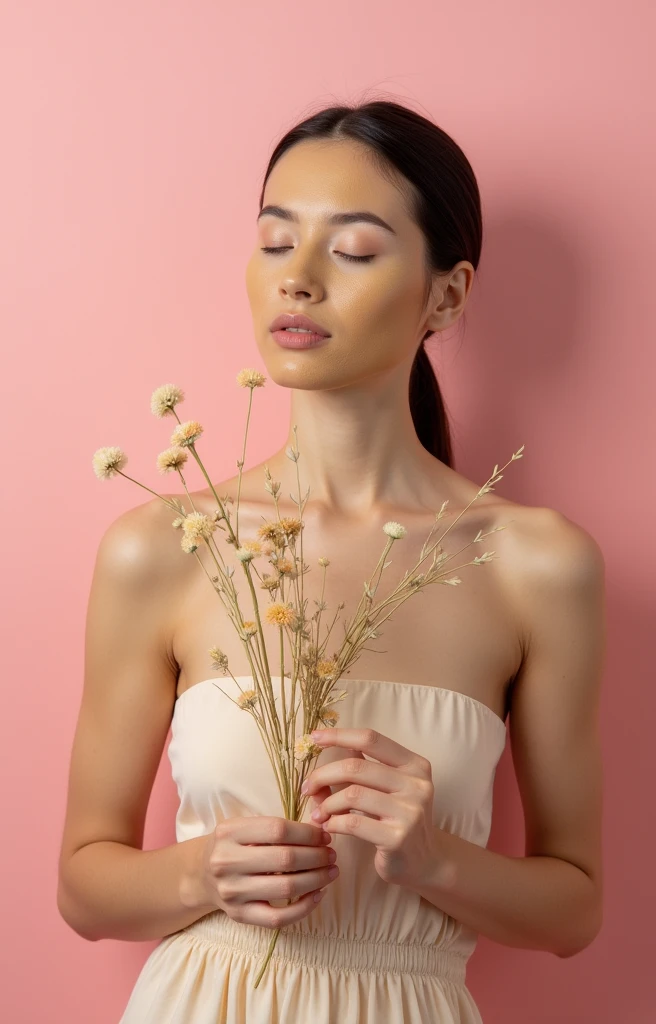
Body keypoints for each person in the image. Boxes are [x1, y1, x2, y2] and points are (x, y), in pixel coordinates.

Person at [57, 98, 606, 1023]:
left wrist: (436, 860)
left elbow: (576, 904)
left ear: (449, 294)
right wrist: (203, 871)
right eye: (275, 243)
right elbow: (83, 885)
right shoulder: (165, 545)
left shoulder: (536, 565)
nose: (298, 281)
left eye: (352, 250)